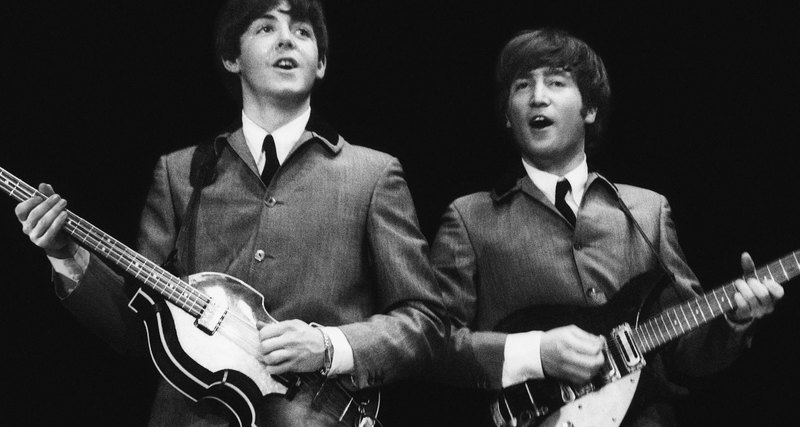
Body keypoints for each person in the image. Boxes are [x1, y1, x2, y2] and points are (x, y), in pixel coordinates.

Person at [13, 0, 445, 425]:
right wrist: (66, 255)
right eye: (266, 28)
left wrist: (329, 346)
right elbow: (136, 327)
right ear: (231, 57)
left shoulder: (373, 175)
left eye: (302, 31)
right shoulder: (179, 173)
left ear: (321, 64)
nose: (286, 40)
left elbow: (426, 323)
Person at [429, 28, 784, 426]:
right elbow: (432, 344)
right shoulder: (469, 218)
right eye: (522, 85)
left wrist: (736, 319)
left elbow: (686, 353)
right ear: (508, 117)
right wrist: (536, 352)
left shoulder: (647, 209)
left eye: (556, 82)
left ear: (590, 110)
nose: (537, 97)